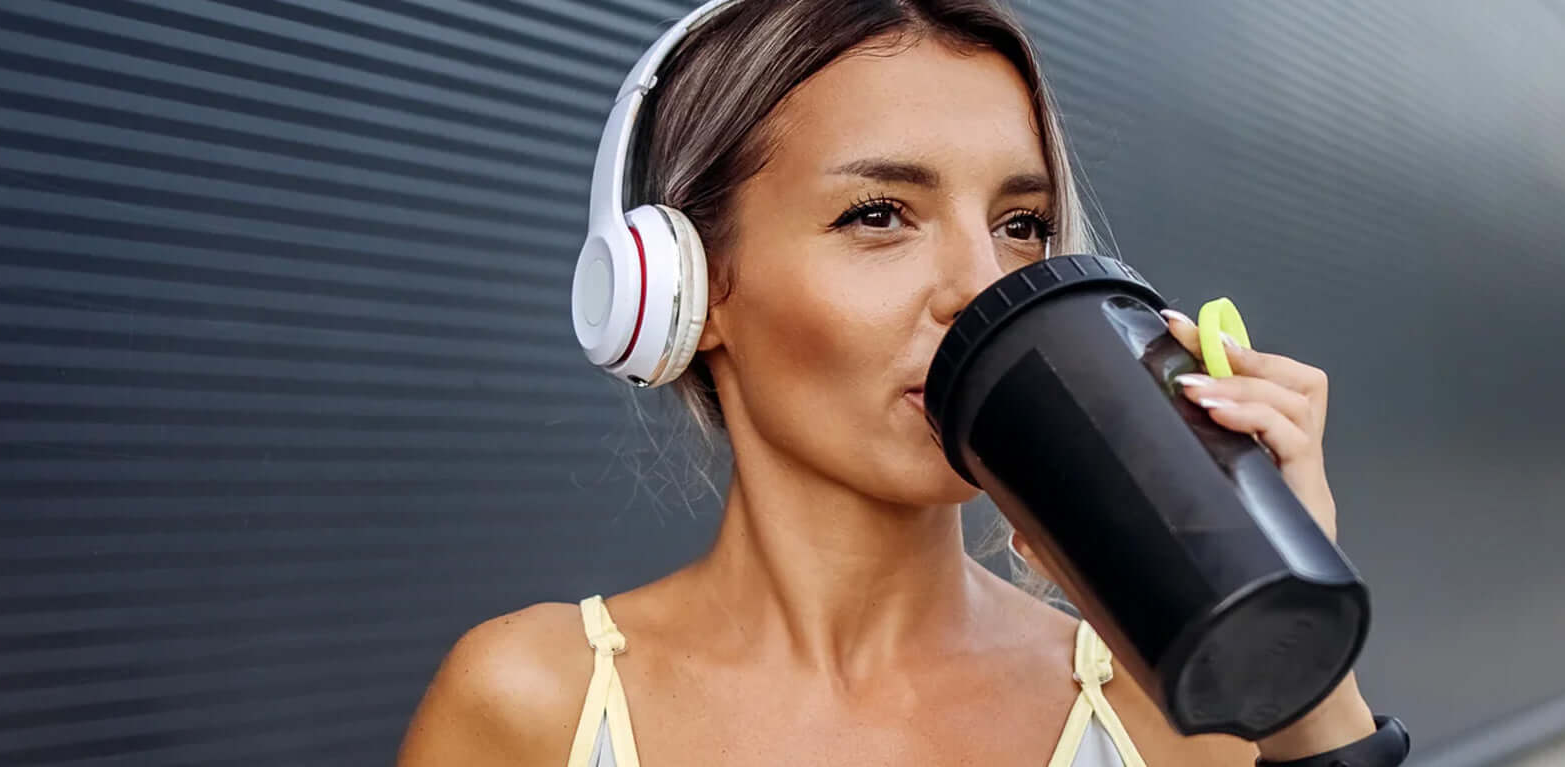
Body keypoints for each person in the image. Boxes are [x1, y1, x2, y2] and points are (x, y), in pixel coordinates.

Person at [399, 1, 1399, 764]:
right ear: (686, 287)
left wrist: (1298, 669)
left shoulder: (1167, 705)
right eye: (878, 214)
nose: (982, 288)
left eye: (1020, 226)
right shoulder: (533, 703)